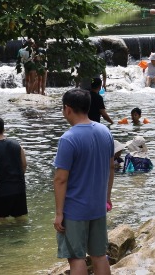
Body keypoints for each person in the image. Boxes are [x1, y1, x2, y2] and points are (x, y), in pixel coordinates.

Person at [53, 88, 115, 275]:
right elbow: (111, 167)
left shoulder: (68, 139)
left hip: (75, 210)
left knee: (76, 257)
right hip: (98, 206)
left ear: (67, 109)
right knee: (99, 255)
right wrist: (107, 198)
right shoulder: (105, 132)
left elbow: (61, 179)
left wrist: (58, 214)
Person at [0, 115, 28, 222]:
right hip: (20, 189)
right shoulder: (18, 145)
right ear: (4, 129)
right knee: (21, 221)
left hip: (2, 191)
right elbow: (24, 164)